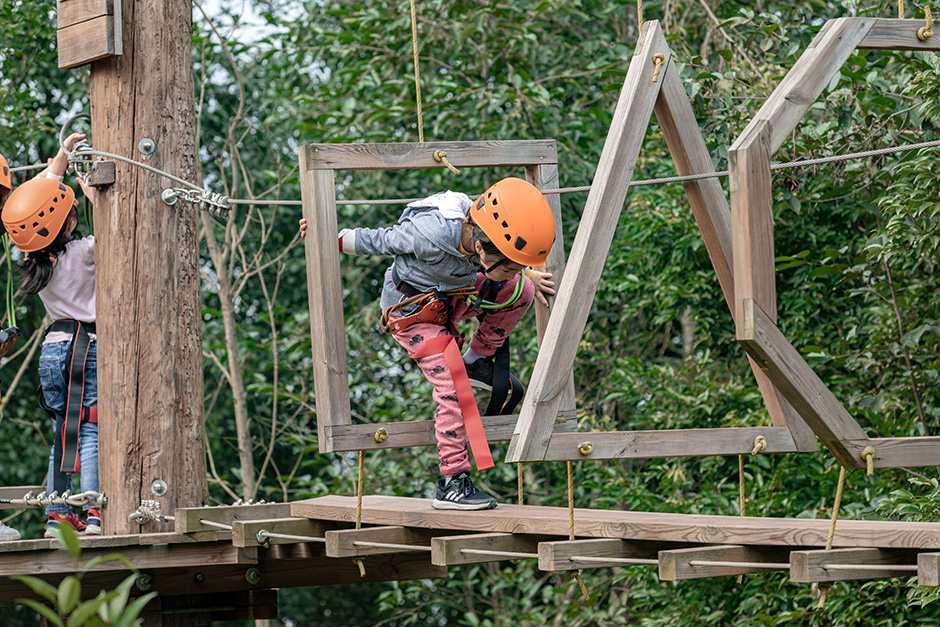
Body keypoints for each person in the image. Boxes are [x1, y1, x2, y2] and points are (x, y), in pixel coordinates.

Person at [302, 177, 556, 510]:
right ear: (480, 249)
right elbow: (376, 240)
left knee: (521, 291)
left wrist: (526, 275)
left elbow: (506, 265)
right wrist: (325, 235)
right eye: (510, 266)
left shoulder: (483, 227)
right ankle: (453, 483)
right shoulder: (430, 234)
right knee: (453, 385)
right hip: (414, 313)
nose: (513, 271)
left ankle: (476, 359)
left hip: (451, 297)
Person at [1, 133, 100, 537]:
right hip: (85, 348)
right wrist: (90, 183)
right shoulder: (88, 252)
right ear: (70, 221)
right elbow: (118, 217)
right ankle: (94, 511)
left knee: (65, 427)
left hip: (53, 349)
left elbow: (32, 211)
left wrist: (61, 158)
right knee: (90, 426)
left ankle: (59, 512)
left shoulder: (32, 259)